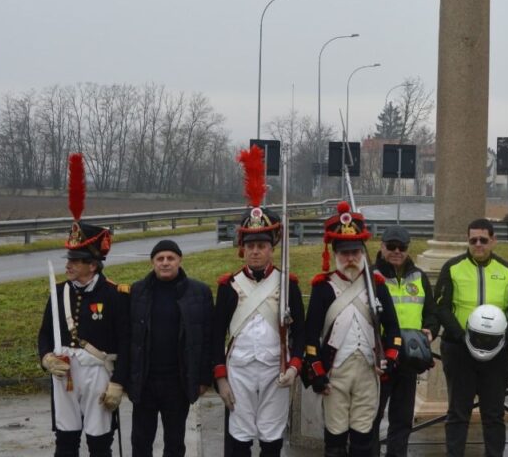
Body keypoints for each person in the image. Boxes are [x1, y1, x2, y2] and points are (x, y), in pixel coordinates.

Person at [213, 145, 305, 457]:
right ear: (243, 247)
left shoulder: (287, 283)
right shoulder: (229, 285)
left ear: (271, 247)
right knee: (239, 438)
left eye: (262, 245)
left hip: (274, 370)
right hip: (238, 369)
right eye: (251, 245)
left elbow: (300, 331)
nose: (256, 251)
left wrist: (294, 366)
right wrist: (220, 378)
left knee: (271, 438)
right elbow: (216, 335)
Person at [38, 152, 129, 457]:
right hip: (65, 375)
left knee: (99, 443)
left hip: (98, 372)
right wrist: (46, 358)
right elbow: (45, 336)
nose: (69, 266)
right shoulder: (59, 292)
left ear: (93, 265)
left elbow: (125, 343)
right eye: (69, 260)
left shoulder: (115, 295)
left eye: (76, 261)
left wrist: (118, 383)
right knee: (65, 441)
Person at [303, 202, 403, 457]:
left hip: (368, 370)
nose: (350, 258)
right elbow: (310, 334)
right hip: (335, 371)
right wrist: (316, 371)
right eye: (345, 253)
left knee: (363, 437)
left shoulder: (376, 285)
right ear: (336, 253)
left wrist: (390, 358)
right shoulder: (323, 287)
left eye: (355, 252)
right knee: (335, 439)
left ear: (362, 252)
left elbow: (392, 328)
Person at [433, 217, 508, 457]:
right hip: (459, 350)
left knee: (494, 414)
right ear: (467, 241)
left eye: (484, 239)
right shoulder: (452, 268)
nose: (478, 244)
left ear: (493, 240)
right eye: (473, 240)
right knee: (458, 413)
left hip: (497, 354)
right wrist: (462, 337)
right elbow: (441, 308)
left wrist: (503, 339)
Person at [127, 239, 214, 457]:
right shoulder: (137, 291)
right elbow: (129, 338)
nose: (165, 263)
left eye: (170, 258)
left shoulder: (199, 292)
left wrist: (204, 378)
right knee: (140, 441)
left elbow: (207, 338)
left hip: (177, 382)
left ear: (179, 260)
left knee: (174, 442)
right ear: (152, 262)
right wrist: (127, 377)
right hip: (145, 381)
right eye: (160, 259)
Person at [370, 225, 438, 457]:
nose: (397, 251)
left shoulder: (418, 276)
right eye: (391, 247)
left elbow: (431, 312)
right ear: (382, 246)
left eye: (402, 247)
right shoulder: (371, 277)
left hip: (409, 357)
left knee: (402, 419)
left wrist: (430, 330)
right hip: (380, 357)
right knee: (372, 417)